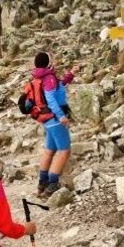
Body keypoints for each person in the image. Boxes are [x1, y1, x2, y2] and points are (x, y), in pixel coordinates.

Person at [32, 51, 77, 198]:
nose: (55, 61)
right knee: (64, 151)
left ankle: (42, 184)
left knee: (49, 151)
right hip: (55, 119)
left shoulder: (43, 77)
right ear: (48, 63)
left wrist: (70, 74)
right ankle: (52, 184)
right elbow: (51, 98)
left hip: (47, 120)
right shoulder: (49, 78)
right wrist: (61, 116)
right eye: (52, 59)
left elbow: (59, 87)